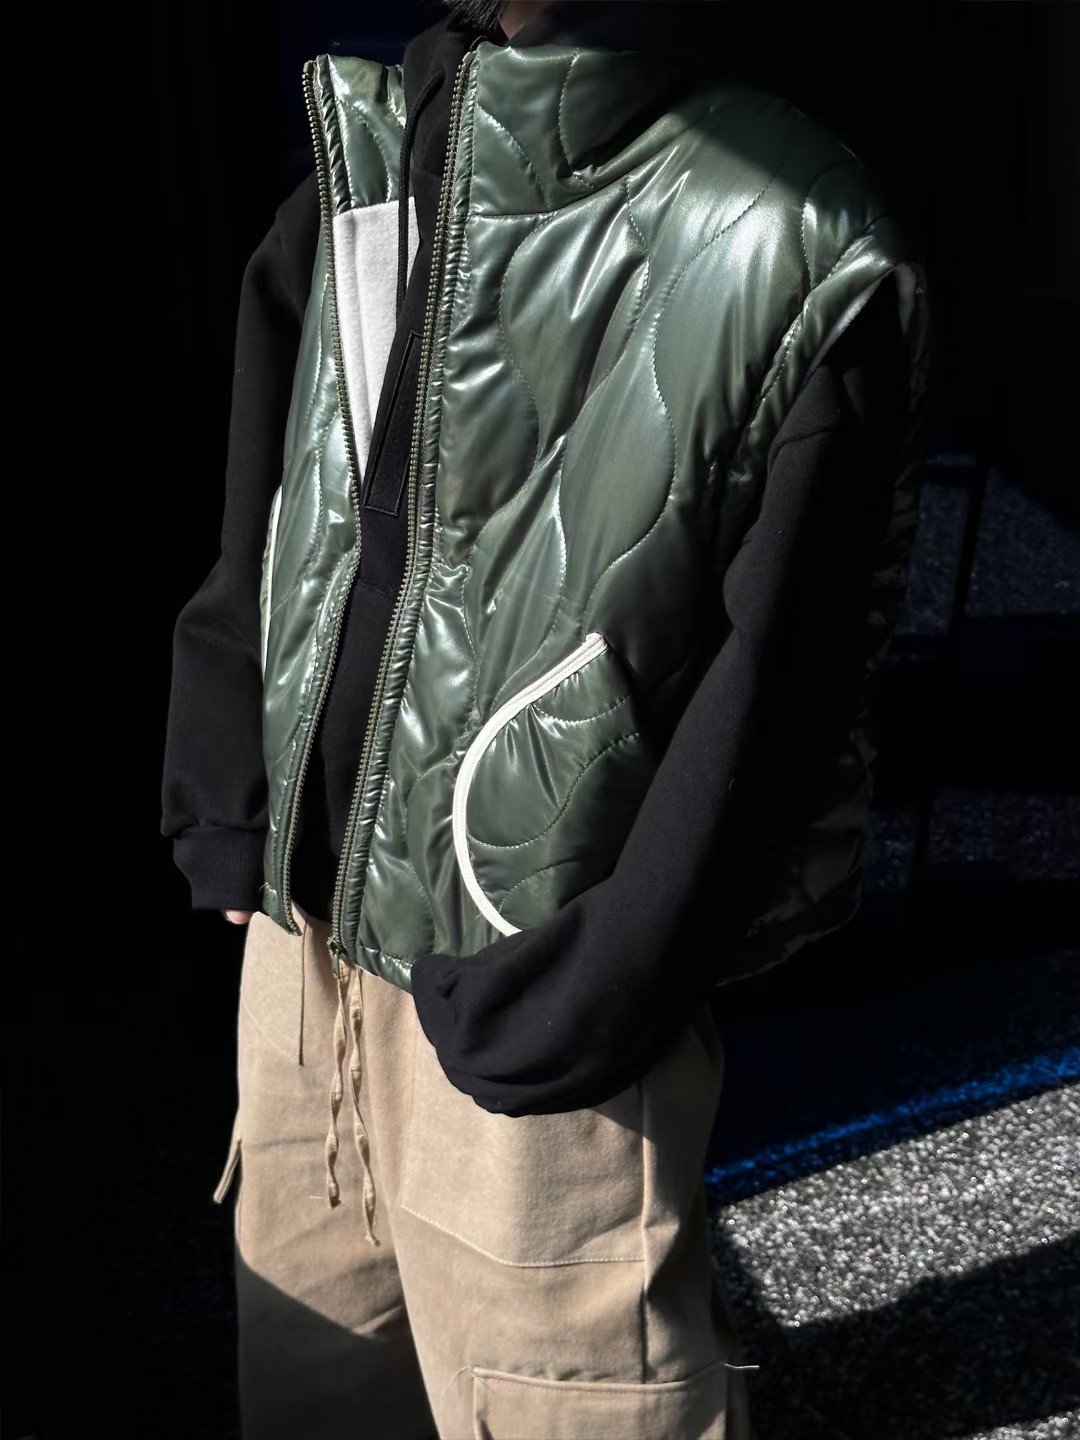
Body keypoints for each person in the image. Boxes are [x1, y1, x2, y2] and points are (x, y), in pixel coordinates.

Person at [161, 0, 930, 1434]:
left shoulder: (783, 220)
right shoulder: (383, 136)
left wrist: (608, 972)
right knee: (319, 1373)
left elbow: (792, 676)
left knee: (564, 1392)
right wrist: (232, 786)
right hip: (306, 937)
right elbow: (285, 468)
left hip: (535, 956)